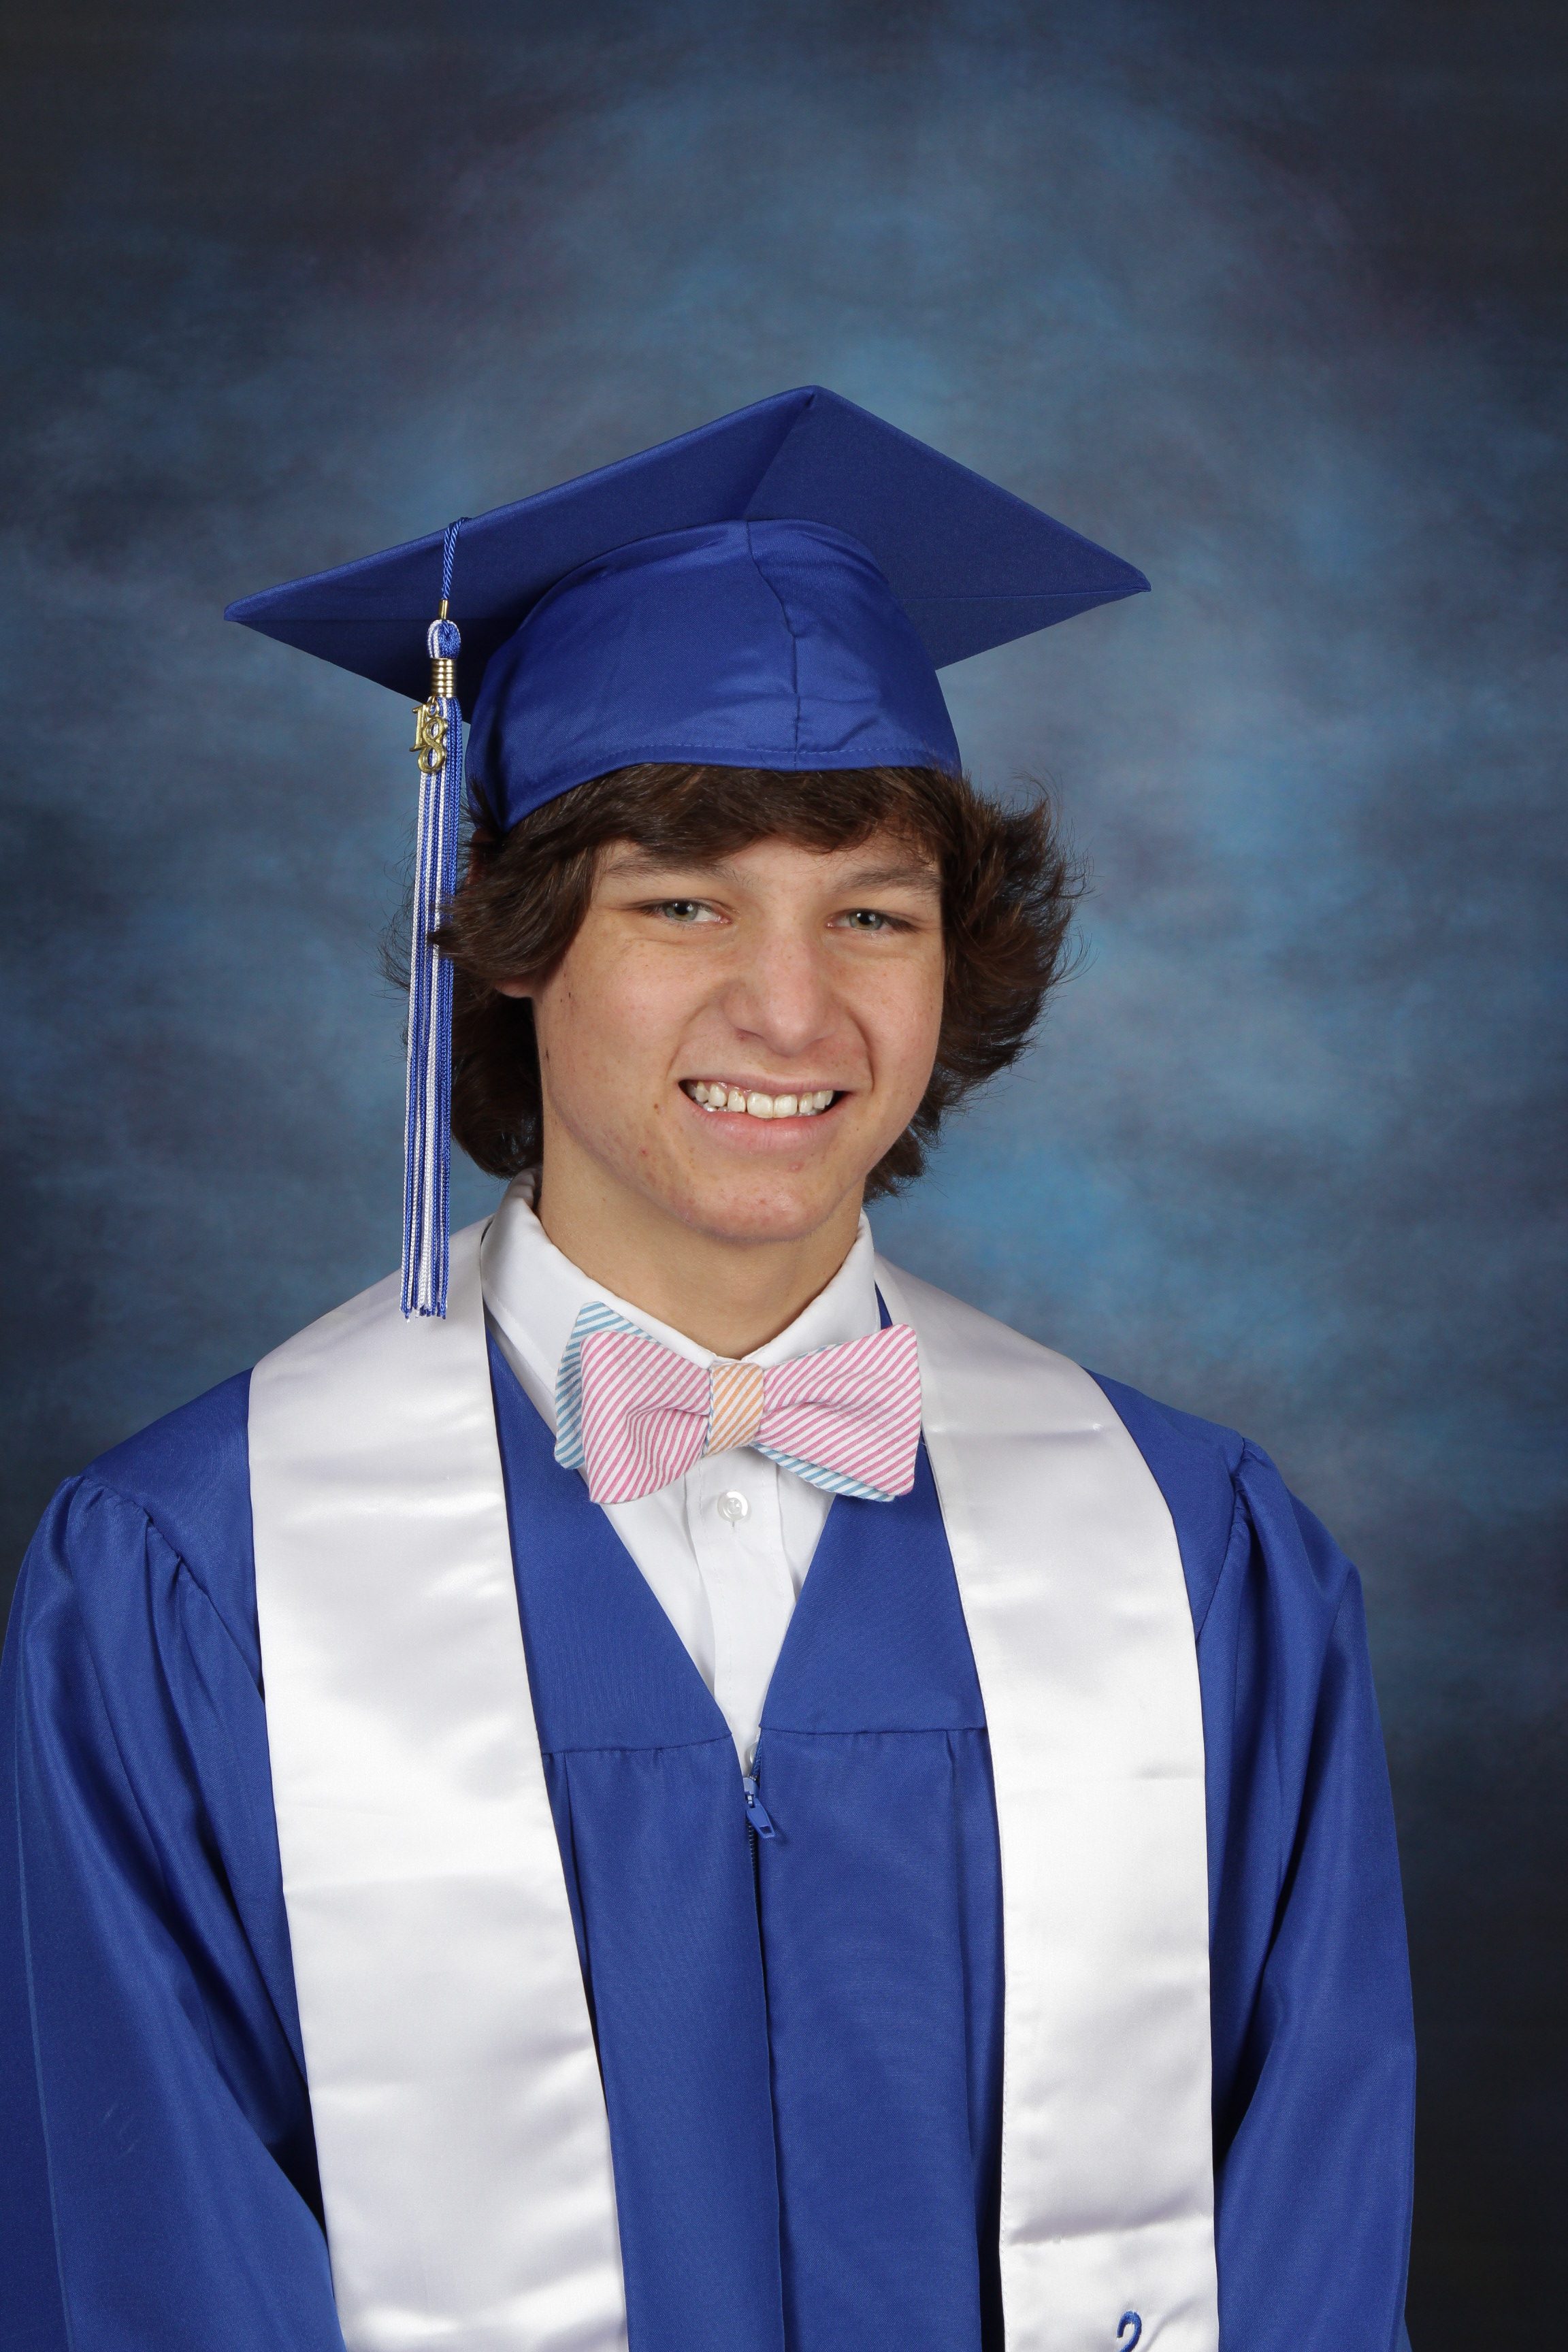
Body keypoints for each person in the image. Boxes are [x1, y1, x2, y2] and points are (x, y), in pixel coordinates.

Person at [0, 388, 1415, 2352]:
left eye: (873, 915)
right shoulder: (191, 1581)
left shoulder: (1198, 1559)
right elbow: (148, 2256)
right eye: (683, 904)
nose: (793, 1010)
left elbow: (1309, 2235)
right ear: (513, 943)